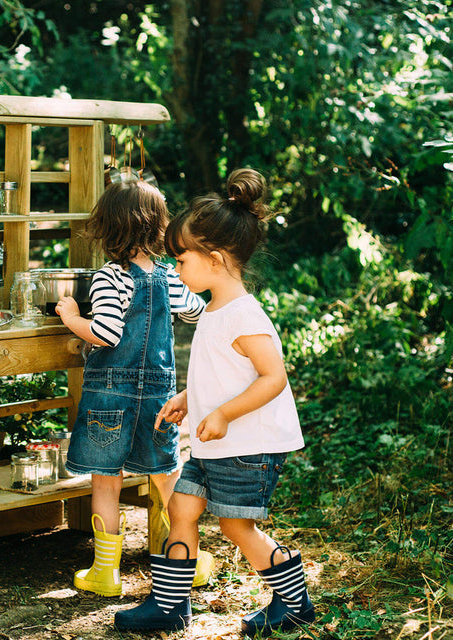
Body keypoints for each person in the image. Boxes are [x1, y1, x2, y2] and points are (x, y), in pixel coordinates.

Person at [114, 168, 315, 636]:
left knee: (235, 528)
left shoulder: (244, 315)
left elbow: (273, 377)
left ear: (216, 259)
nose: (176, 270)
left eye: (181, 261)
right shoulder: (216, 310)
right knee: (181, 510)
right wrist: (190, 397)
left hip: (247, 446)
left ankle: (295, 600)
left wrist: (222, 413)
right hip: (213, 443)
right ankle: (170, 607)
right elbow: (224, 372)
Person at [55, 178, 213, 599]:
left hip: (110, 396)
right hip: (159, 396)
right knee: (167, 475)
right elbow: (198, 310)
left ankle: (105, 574)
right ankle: (188, 561)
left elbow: (104, 333)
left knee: (106, 481)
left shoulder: (110, 277)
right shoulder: (169, 276)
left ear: (108, 229)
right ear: (157, 228)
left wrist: (71, 316)